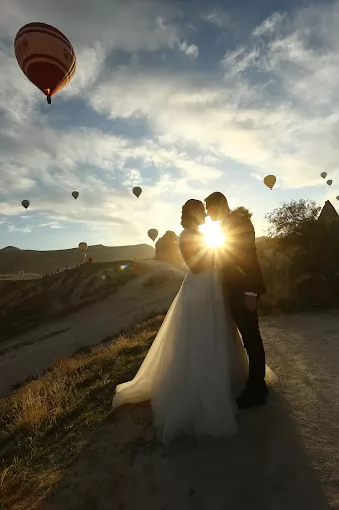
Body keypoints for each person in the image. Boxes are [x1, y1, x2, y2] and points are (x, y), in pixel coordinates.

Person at [112, 199, 250, 443]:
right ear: (190, 213)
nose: (205, 214)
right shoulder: (186, 234)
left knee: (216, 331)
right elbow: (195, 266)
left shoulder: (200, 233)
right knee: (199, 335)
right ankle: (198, 391)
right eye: (200, 210)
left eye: (205, 211)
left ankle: (224, 381)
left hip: (212, 288)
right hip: (200, 288)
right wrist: (215, 255)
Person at [205, 192, 268, 409]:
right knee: (248, 338)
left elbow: (248, 257)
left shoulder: (239, 222)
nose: (206, 212)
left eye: (208, 208)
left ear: (219, 205)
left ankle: (257, 391)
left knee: (252, 339)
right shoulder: (226, 225)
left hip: (244, 292)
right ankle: (256, 384)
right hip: (235, 291)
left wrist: (250, 293)